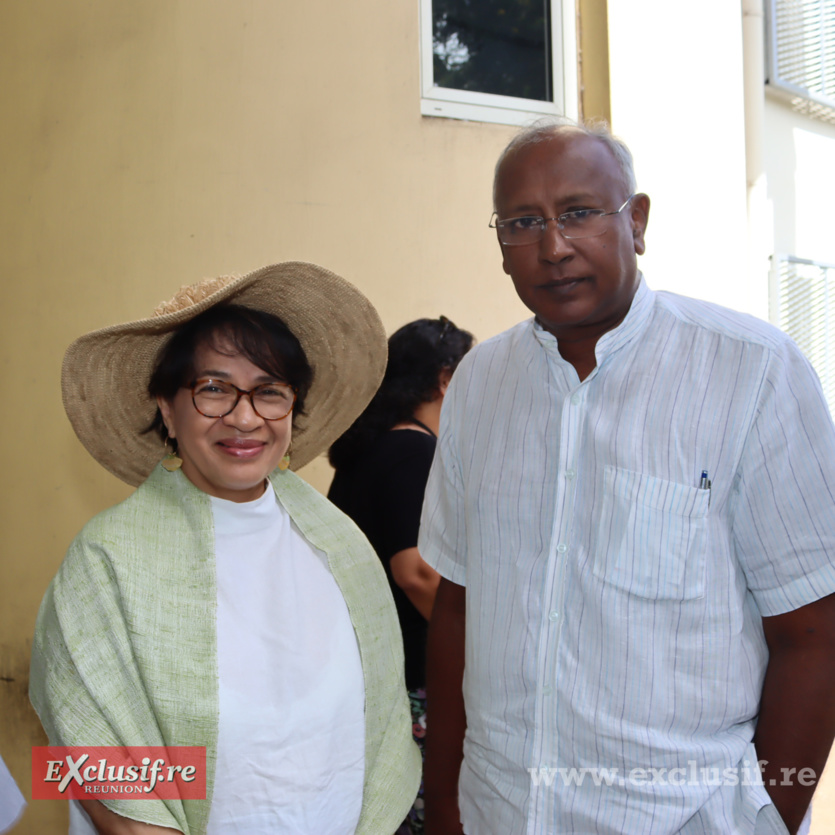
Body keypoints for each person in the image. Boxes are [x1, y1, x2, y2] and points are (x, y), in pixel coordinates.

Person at [420, 120, 835, 835]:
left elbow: (814, 632)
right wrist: (448, 807)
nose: (553, 247)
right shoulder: (481, 383)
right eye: (524, 222)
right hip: (499, 812)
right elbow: (458, 604)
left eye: (579, 212)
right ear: (500, 246)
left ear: (635, 221)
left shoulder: (750, 371)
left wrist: (760, 820)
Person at [30, 262, 421, 835]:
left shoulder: (340, 545)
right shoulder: (107, 561)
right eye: (213, 388)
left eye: (269, 392)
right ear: (166, 406)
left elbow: (379, 731)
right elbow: (87, 762)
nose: (244, 417)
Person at [328, 317, 474, 834]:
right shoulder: (413, 450)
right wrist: (476, 653)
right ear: (444, 378)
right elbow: (415, 572)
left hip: (372, 672)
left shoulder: (368, 451)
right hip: (416, 676)